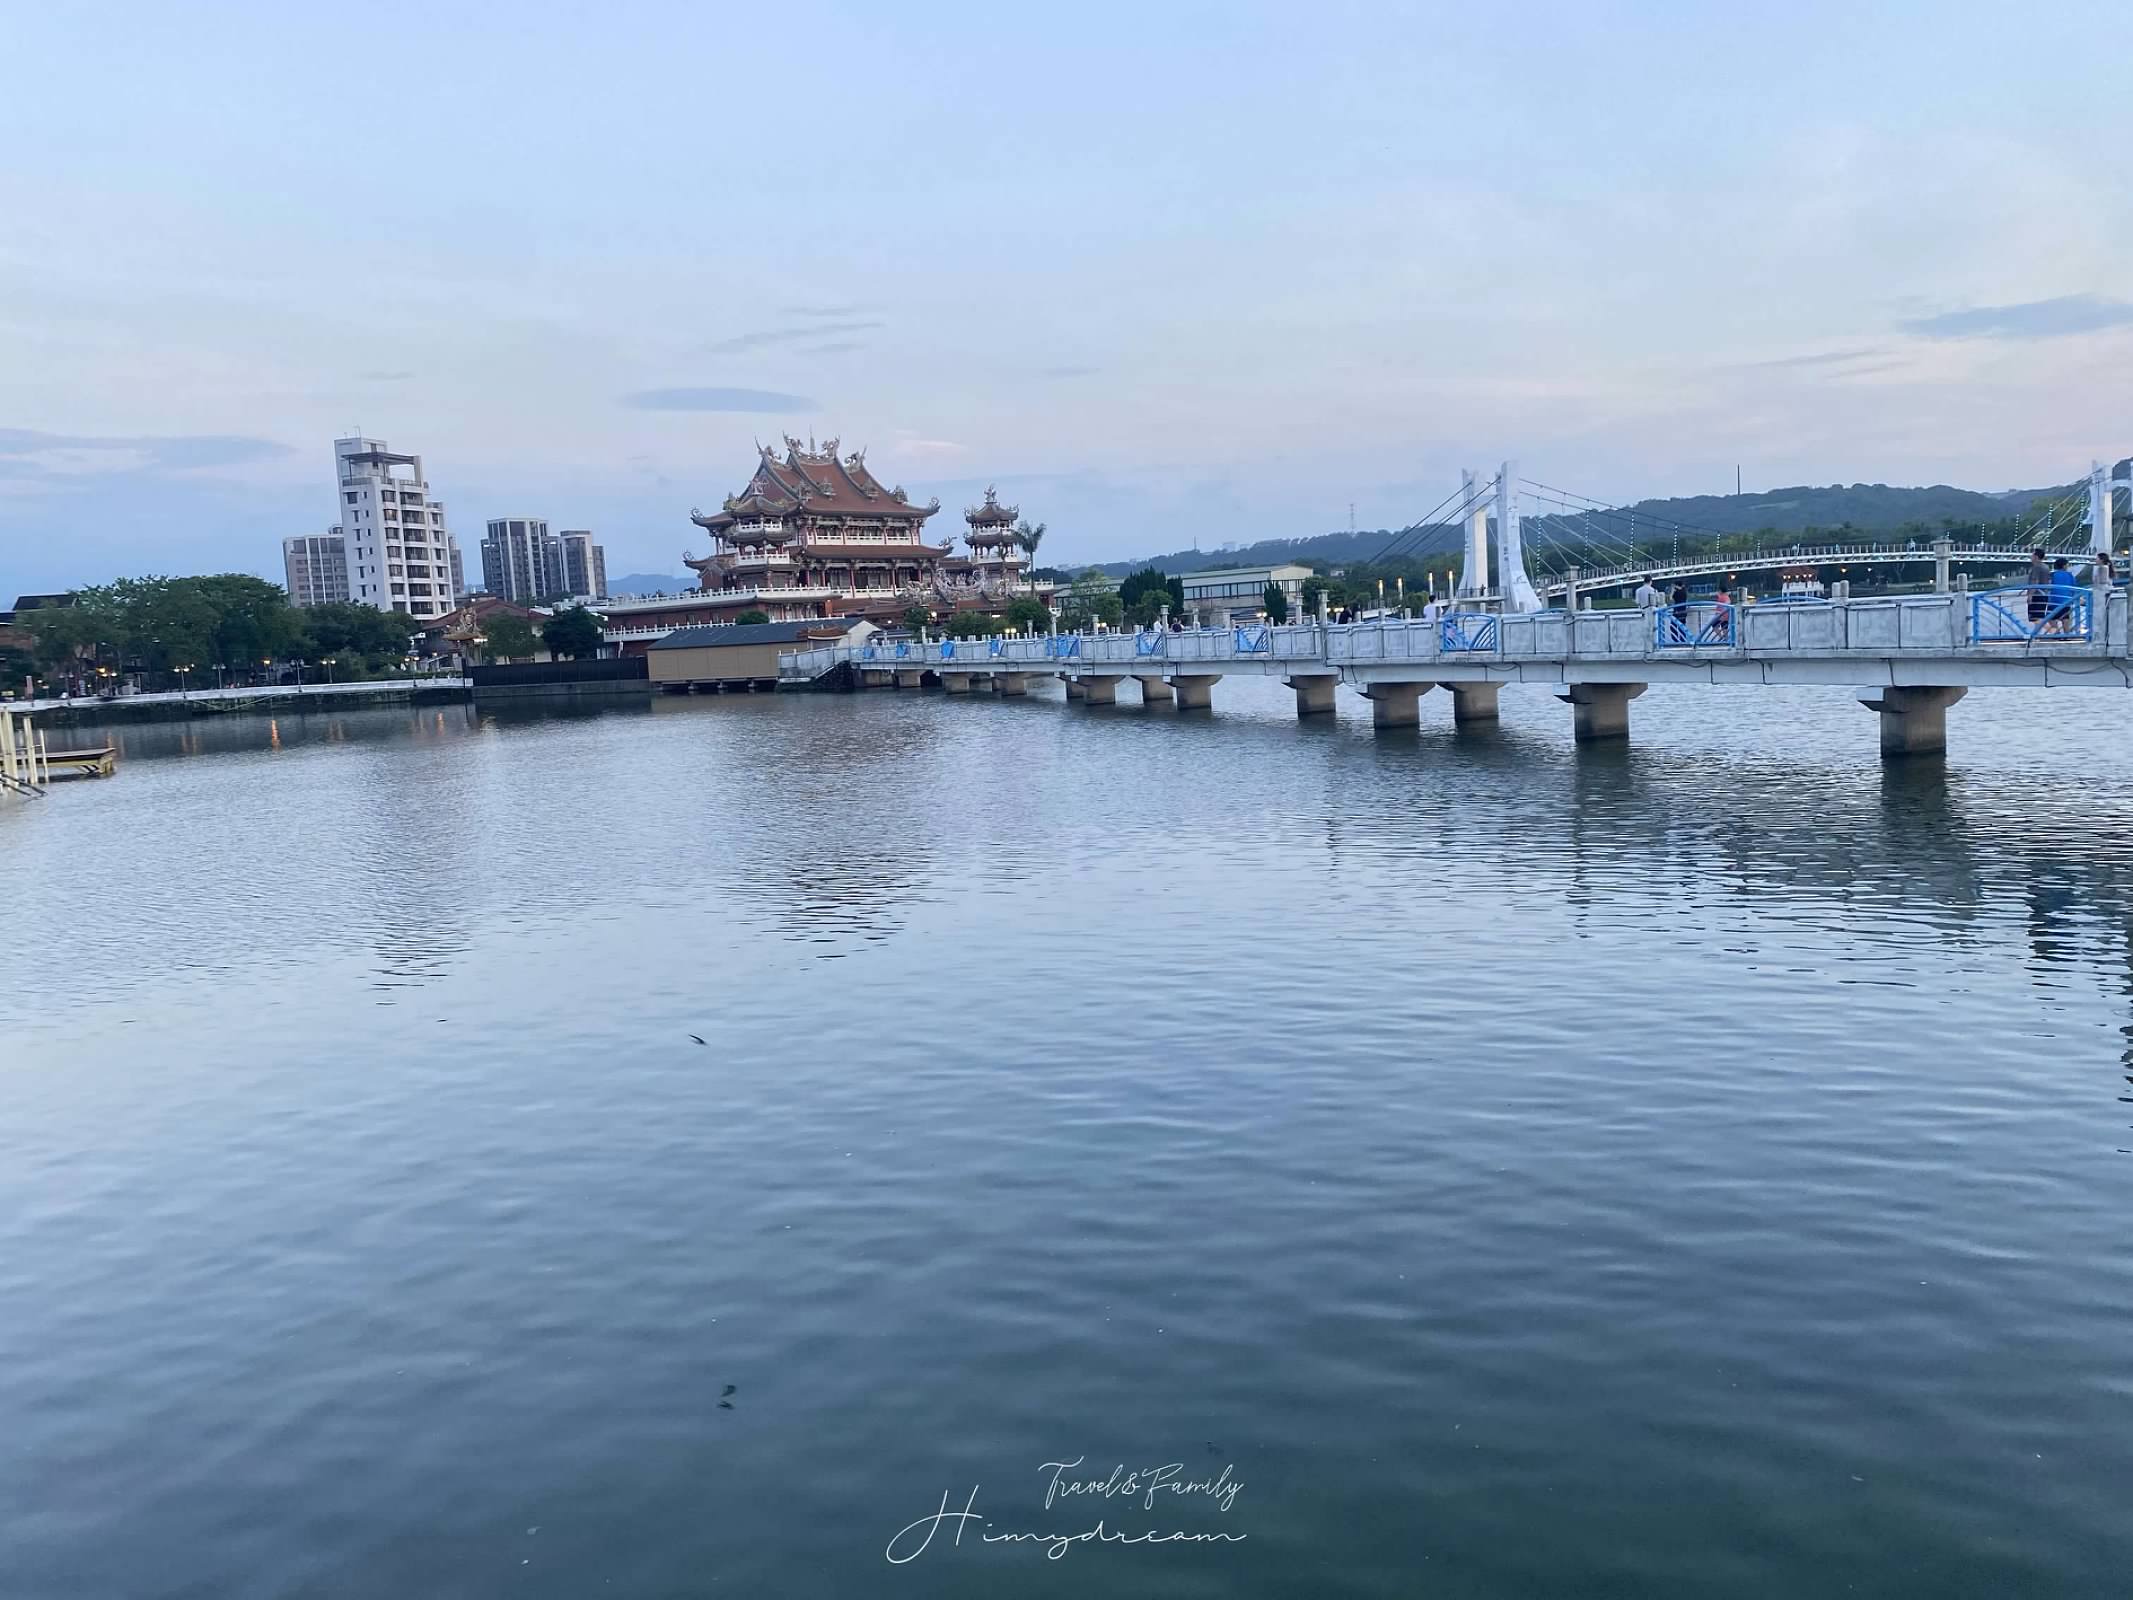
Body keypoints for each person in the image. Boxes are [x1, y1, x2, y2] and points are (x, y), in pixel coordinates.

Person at [2047, 556, 2079, 635]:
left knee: (2050, 617)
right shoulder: (2070, 575)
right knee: (2065, 618)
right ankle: (2067, 635)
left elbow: (2048, 586)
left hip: (2054, 601)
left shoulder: (2052, 575)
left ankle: (2057, 633)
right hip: (2066, 601)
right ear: (2064, 566)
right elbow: (2074, 588)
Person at [2027, 548, 2049, 634]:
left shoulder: (2036, 567)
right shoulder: (2046, 567)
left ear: (2036, 556)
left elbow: (2034, 581)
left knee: (2034, 617)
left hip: (2037, 595)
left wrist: (2030, 595)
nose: (2031, 557)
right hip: (2044, 595)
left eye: (2032, 555)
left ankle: (2052, 630)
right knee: (2039, 616)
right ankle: (2036, 634)